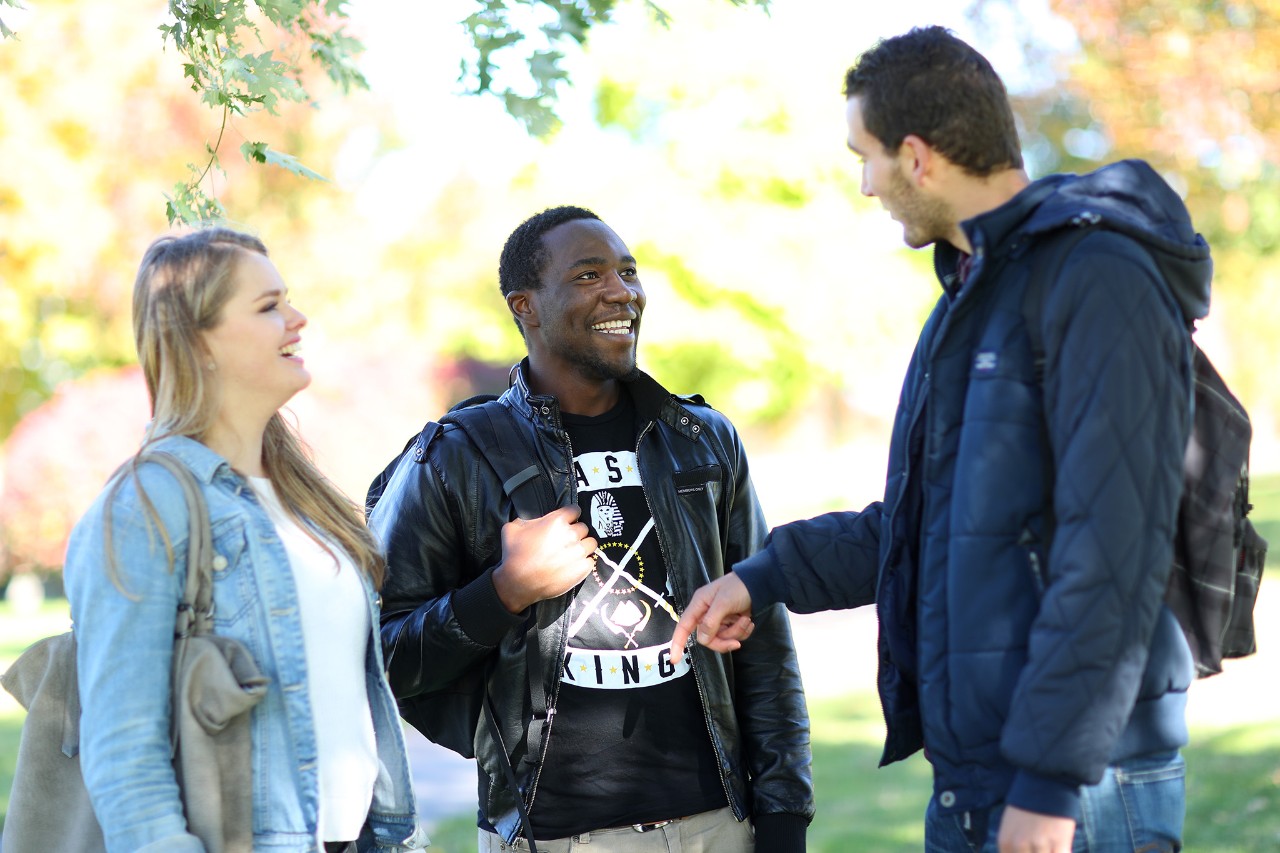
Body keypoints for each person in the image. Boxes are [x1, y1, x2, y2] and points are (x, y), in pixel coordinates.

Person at [672, 26, 1208, 853]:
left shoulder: (1098, 276)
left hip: (1077, 791)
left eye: (867, 156)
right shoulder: (964, 302)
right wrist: (758, 575)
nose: (864, 186)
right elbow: (925, 523)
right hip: (971, 783)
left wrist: (1048, 784)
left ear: (917, 157)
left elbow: (1115, 548)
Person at [368, 206, 814, 852]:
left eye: (629, 272)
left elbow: (765, 642)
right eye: (588, 275)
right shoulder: (458, 455)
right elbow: (383, 655)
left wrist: (782, 818)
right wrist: (501, 592)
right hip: (555, 838)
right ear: (526, 306)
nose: (621, 291)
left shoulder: (702, 440)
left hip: (718, 825)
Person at [64, 228, 427, 853]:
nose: (298, 318)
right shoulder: (145, 506)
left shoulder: (306, 498)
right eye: (268, 307)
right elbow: (123, 747)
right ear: (198, 342)